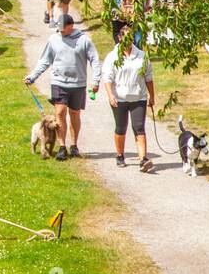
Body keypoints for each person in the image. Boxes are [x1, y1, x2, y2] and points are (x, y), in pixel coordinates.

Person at [24, 13, 101, 161]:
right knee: (59, 112)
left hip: (78, 83)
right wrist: (32, 76)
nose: (60, 31)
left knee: (74, 114)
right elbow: (44, 61)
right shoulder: (54, 39)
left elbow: (95, 60)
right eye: (58, 28)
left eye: (63, 28)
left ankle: (74, 145)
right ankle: (62, 147)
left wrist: (96, 81)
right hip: (59, 82)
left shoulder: (83, 40)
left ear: (71, 26)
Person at [103, 25, 156, 171]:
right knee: (121, 127)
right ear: (119, 37)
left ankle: (143, 159)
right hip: (119, 98)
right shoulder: (113, 57)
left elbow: (149, 77)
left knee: (139, 128)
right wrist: (110, 95)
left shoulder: (141, 55)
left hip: (138, 97)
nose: (128, 40)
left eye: (130, 37)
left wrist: (152, 96)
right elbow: (107, 78)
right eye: (124, 36)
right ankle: (120, 155)